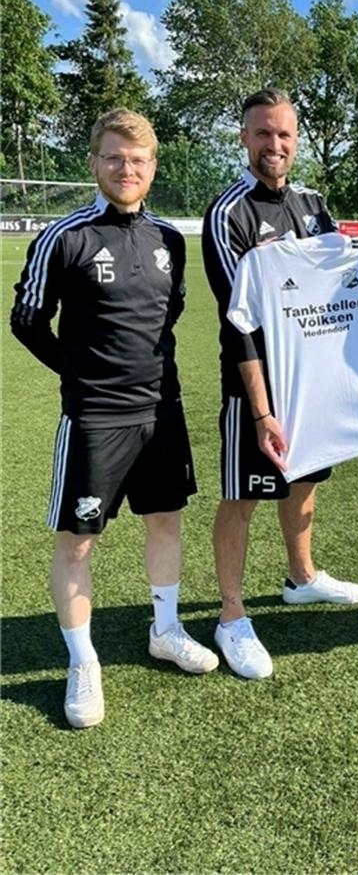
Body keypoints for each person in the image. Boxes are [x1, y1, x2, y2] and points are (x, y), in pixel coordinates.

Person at [10, 109, 218, 730]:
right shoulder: (64, 237)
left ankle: (166, 628)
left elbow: (168, 316)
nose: (126, 169)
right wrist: (78, 376)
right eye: (113, 158)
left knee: (166, 521)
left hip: (163, 409)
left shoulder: (169, 242)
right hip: (97, 418)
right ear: (95, 162)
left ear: (153, 168)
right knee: (78, 542)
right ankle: (82, 661)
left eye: (138, 160)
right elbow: (27, 321)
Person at [202, 88, 358, 680]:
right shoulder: (228, 215)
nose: (275, 145)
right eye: (263, 134)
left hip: (310, 385)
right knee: (244, 495)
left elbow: (335, 294)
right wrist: (261, 409)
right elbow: (240, 318)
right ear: (244, 137)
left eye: (285, 135)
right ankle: (231, 615)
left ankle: (301, 577)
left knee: (304, 480)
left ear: (296, 140)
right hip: (256, 389)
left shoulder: (314, 205)